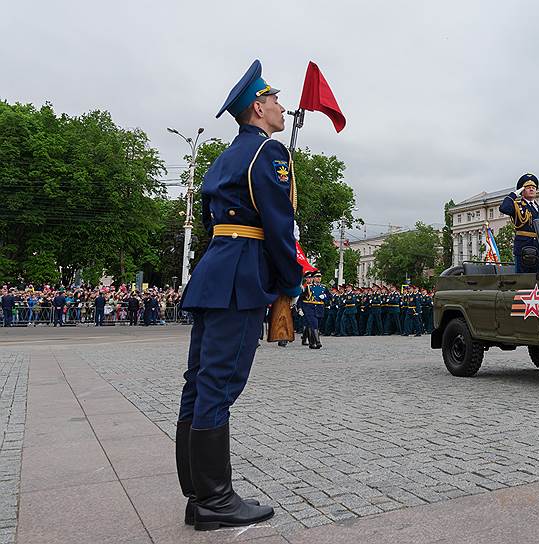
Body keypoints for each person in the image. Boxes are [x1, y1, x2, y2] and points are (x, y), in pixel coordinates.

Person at [176, 60, 301, 530]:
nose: (283, 108)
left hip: (215, 270)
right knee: (220, 385)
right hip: (241, 278)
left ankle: (197, 495)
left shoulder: (226, 156)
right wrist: (289, 281)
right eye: (276, 100)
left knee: (200, 382)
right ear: (258, 107)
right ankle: (214, 500)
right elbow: (278, 225)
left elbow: (215, 222)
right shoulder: (269, 153)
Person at [499, 173, 539, 273]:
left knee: (538, 280)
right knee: (523, 280)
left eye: (533, 187)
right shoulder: (517, 206)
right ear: (522, 191)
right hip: (523, 248)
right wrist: (515, 194)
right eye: (528, 187)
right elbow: (504, 208)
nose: (532, 189)